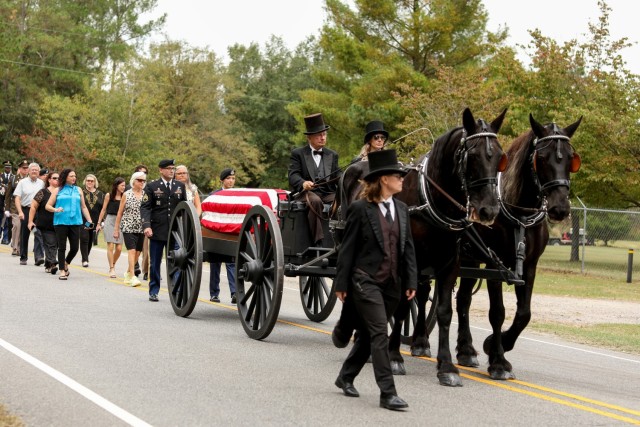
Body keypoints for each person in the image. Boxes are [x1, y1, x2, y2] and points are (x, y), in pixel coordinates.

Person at [333, 149, 417, 411]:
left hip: (393, 284)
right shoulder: (360, 209)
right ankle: (387, 393)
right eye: (397, 175)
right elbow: (347, 249)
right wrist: (341, 284)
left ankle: (345, 376)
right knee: (381, 332)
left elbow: (408, 248)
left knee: (370, 335)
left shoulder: (403, 209)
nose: (402, 179)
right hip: (364, 280)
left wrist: (411, 281)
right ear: (383, 180)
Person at [288, 113, 341, 245]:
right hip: (306, 193)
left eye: (324, 134)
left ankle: (338, 239)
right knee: (315, 201)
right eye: (319, 135)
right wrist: (303, 183)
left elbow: (338, 175)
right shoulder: (298, 153)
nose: (323, 138)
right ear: (309, 137)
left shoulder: (332, 154)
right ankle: (319, 241)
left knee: (341, 199)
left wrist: (347, 179)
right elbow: (293, 175)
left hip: (327, 193)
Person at [140, 159, 186, 302]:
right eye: (168, 168)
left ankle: (176, 289)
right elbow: (145, 207)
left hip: (176, 231)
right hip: (157, 229)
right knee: (155, 262)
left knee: (177, 261)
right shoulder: (152, 186)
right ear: (161, 170)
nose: (171, 171)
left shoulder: (180, 186)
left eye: (173, 168)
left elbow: (184, 207)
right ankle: (154, 290)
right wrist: (146, 225)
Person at [45, 168, 94, 280]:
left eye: (75, 176)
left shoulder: (78, 190)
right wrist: (56, 209)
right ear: (65, 177)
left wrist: (89, 220)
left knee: (75, 248)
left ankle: (66, 263)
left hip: (75, 222)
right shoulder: (58, 190)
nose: (74, 178)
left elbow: (83, 207)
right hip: (60, 222)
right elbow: (47, 206)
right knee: (61, 247)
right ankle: (62, 270)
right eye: (71, 176)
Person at [208, 168, 236, 303]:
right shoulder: (215, 195)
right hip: (217, 232)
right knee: (215, 264)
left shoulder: (238, 196)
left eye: (233, 179)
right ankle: (214, 293)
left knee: (232, 263)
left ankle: (235, 293)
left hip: (231, 233)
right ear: (222, 181)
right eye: (228, 179)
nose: (231, 181)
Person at [113, 172, 146, 287]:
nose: (142, 182)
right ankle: (132, 276)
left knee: (138, 252)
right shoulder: (127, 194)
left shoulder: (146, 195)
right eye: (139, 180)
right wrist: (116, 229)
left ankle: (128, 272)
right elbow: (120, 212)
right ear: (133, 181)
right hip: (128, 226)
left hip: (141, 227)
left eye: (143, 180)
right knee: (131, 251)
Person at [14, 162, 45, 265]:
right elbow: (17, 198)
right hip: (26, 210)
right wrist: (20, 212)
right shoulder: (22, 182)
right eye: (32, 170)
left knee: (38, 233)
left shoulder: (42, 183)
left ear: (38, 172)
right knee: (25, 234)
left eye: (36, 170)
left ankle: (39, 257)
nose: (34, 171)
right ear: (29, 171)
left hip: (38, 211)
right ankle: (23, 257)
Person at [29, 171, 59, 274]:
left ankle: (48, 264)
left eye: (59, 178)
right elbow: (33, 206)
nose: (57, 180)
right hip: (45, 223)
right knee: (51, 243)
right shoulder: (42, 192)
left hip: (59, 223)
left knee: (53, 244)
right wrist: (30, 221)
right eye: (54, 178)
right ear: (49, 180)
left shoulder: (62, 192)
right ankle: (53, 263)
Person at [96, 178, 125, 278]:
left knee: (119, 248)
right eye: (122, 185)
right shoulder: (109, 195)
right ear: (116, 186)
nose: (123, 187)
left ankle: (112, 263)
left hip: (121, 221)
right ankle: (112, 268)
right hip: (109, 220)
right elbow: (103, 210)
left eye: (124, 186)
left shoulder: (124, 196)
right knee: (110, 246)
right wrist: (99, 223)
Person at [4, 160, 29, 256]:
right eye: (24, 168)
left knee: (23, 228)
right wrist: (6, 208)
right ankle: (15, 247)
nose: (25, 170)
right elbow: (8, 195)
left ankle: (20, 247)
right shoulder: (14, 179)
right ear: (20, 169)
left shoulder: (30, 180)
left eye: (27, 168)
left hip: (26, 207)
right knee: (17, 226)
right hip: (15, 208)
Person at [80, 174, 104, 268]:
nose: (89, 182)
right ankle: (84, 260)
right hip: (83, 220)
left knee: (90, 240)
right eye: (88, 180)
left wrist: (101, 222)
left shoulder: (101, 194)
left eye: (91, 181)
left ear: (95, 182)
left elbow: (103, 209)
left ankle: (86, 257)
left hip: (95, 220)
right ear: (85, 181)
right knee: (84, 238)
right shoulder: (81, 192)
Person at [133, 164, 150, 281]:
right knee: (134, 248)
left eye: (145, 173)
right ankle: (134, 265)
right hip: (133, 224)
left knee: (146, 249)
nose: (142, 175)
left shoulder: (150, 189)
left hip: (146, 223)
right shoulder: (129, 191)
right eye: (140, 173)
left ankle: (147, 271)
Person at [0, 160, 14, 244]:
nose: (8, 169)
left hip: (9, 201)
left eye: (9, 167)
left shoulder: (14, 177)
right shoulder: (0, 176)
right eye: (6, 167)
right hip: (1, 201)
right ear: (4, 168)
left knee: (8, 222)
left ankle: (5, 238)